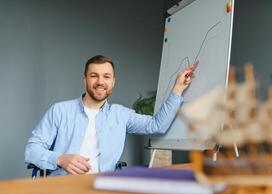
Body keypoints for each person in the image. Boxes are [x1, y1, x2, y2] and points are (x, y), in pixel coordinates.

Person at [25, 55, 195, 176]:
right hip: (64, 188)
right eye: (94, 76)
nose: (100, 82)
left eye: (106, 76)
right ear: (85, 80)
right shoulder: (59, 111)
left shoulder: (121, 115)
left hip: (102, 188)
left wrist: (178, 88)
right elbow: (31, 150)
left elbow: (157, 125)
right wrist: (60, 159)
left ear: (113, 82)